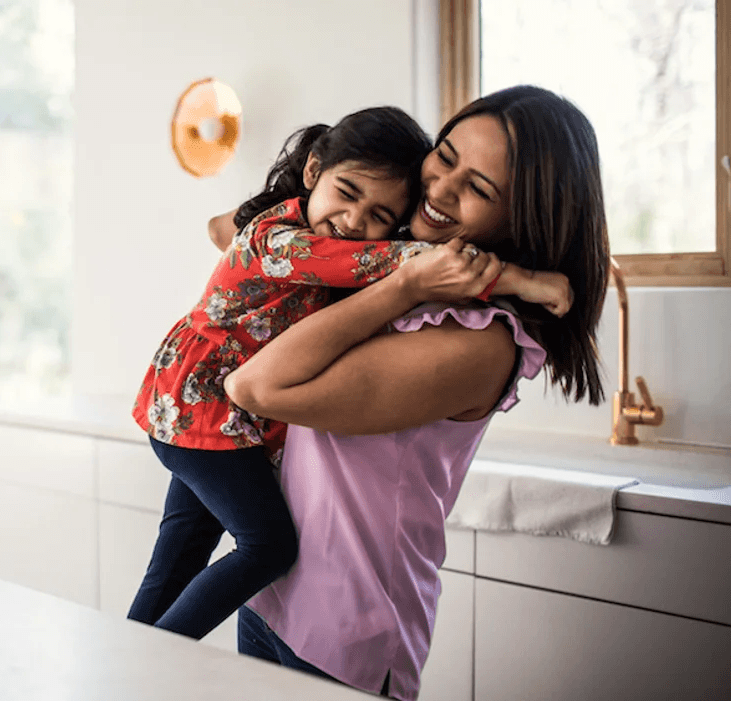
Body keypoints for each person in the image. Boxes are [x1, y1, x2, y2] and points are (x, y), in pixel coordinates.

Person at [221, 85, 610, 701]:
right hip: (272, 595)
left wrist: (404, 286)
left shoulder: (477, 342)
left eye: (479, 189)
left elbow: (255, 386)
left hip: (345, 630)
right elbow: (234, 237)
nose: (439, 189)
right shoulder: (400, 266)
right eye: (445, 155)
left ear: (523, 218)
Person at [128, 106, 571, 642]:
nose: (356, 222)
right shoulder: (288, 241)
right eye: (348, 192)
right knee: (264, 547)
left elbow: (243, 231)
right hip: (201, 409)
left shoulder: (299, 231)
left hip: (205, 414)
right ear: (313, 172)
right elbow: (398, 264)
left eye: (381, 214)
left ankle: (137, 652)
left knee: (180, 552)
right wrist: (523, 280)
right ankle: (150, 663)